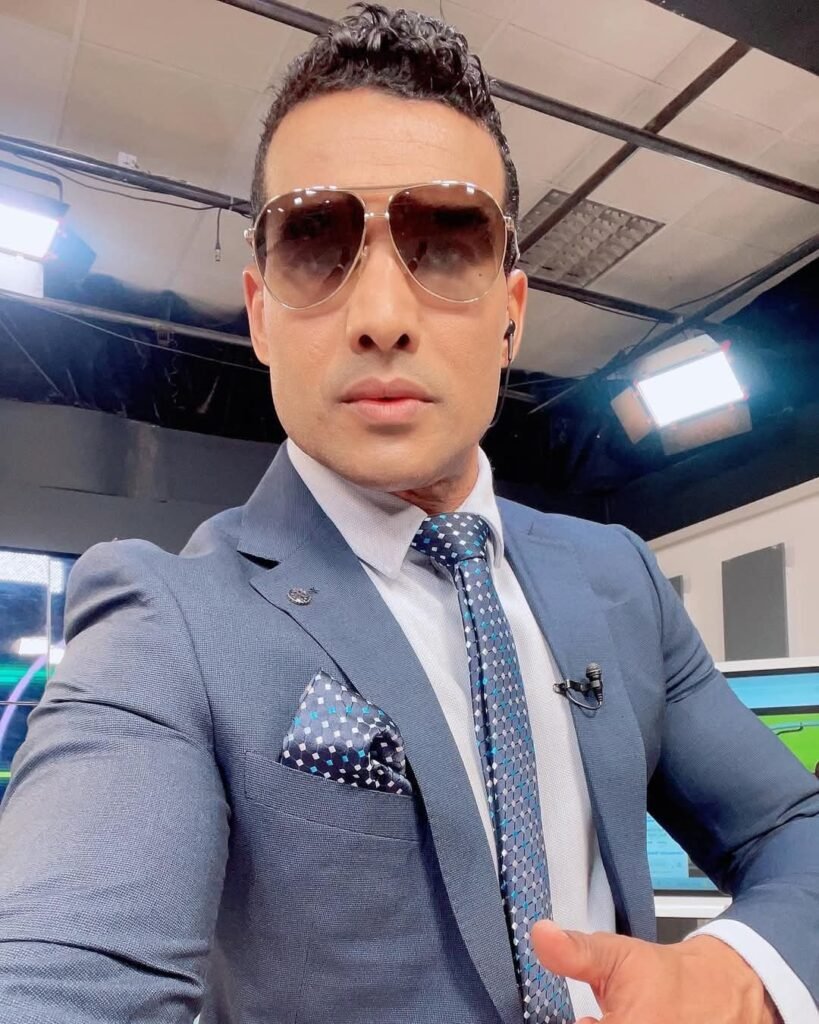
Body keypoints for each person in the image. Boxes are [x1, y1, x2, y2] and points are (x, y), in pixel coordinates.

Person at [0, 5, 817, 1023]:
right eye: (316, 244)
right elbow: (61, 979)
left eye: (446, 245)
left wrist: (736, 976)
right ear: (261, 313)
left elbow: (795, 824)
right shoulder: (166, 624)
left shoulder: (621, 578)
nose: (382, 317)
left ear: (510, 311)